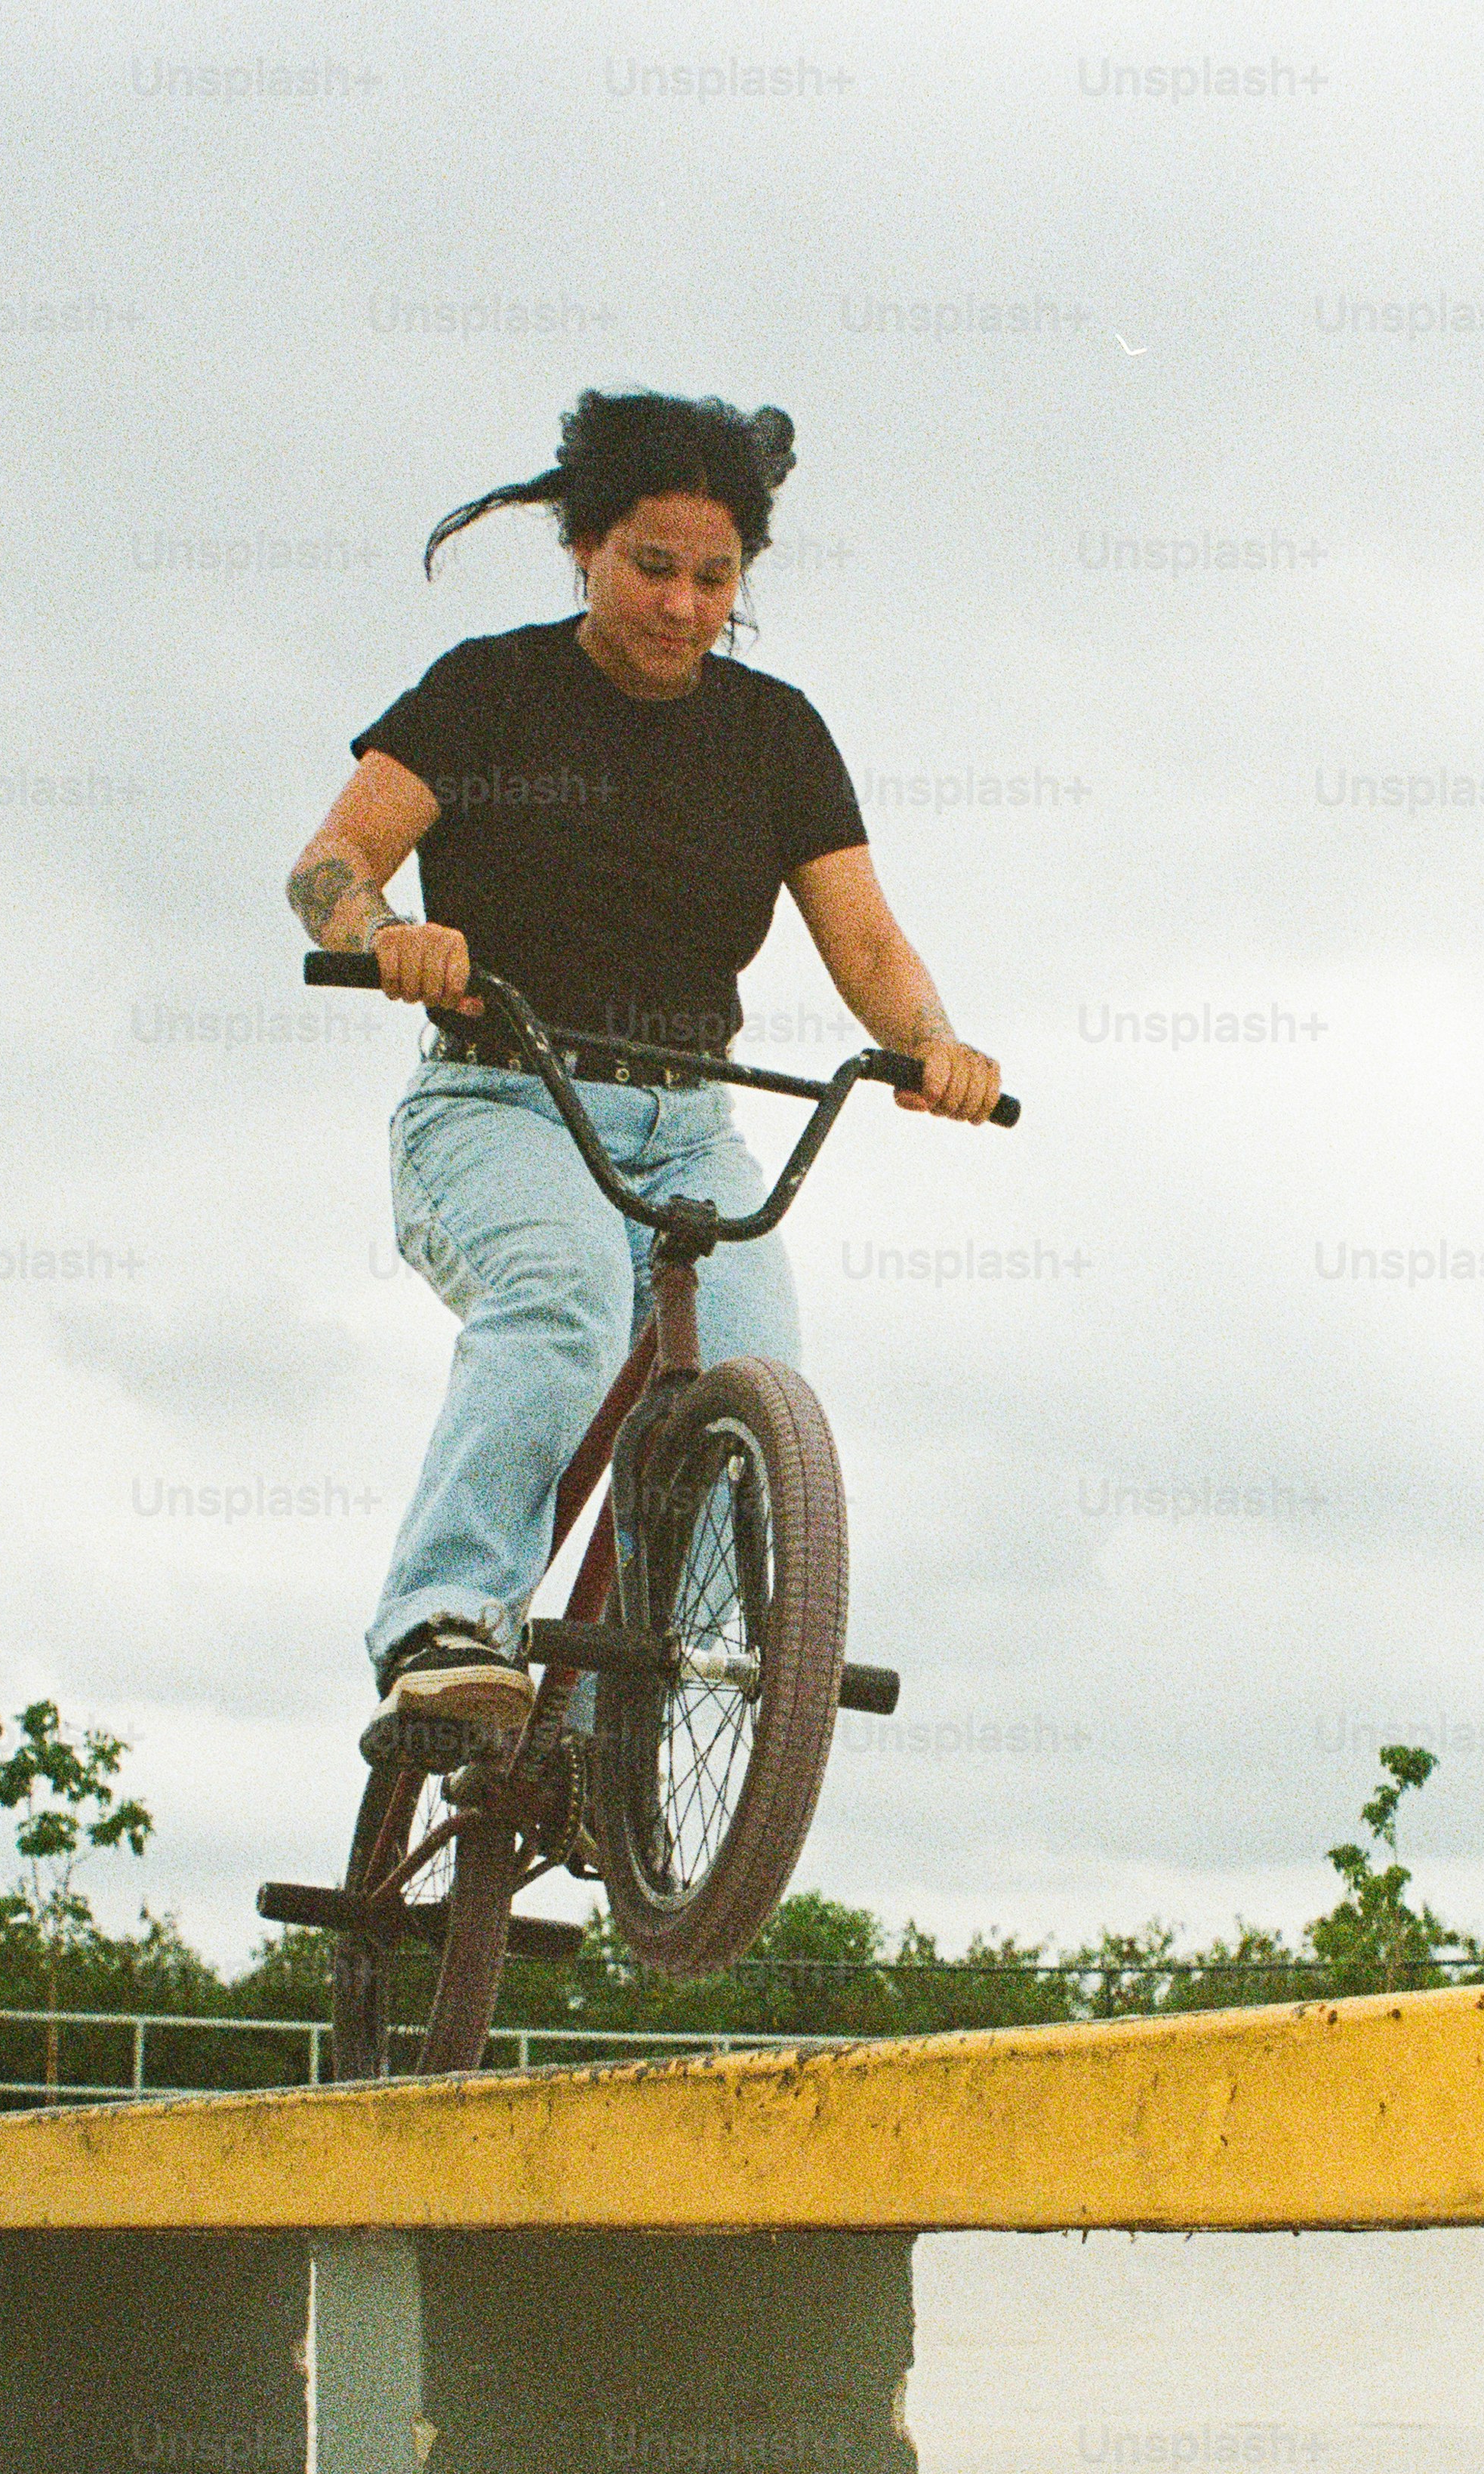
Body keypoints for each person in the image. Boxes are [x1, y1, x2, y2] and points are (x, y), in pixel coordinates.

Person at [285, 389, 1002, 1727]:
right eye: (651, 568)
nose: (682, 606)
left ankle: (645, 1707)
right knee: (557, 1299)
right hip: (502, 1099)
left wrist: (930, 1043)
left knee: (753, 1391)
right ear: (583, 548)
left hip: (689, 1131)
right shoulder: (488, 688)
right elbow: (327, 867)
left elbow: (864, 940)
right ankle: (445, 1620)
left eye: (714, 577)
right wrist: (385, 934)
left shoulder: (774, 732)